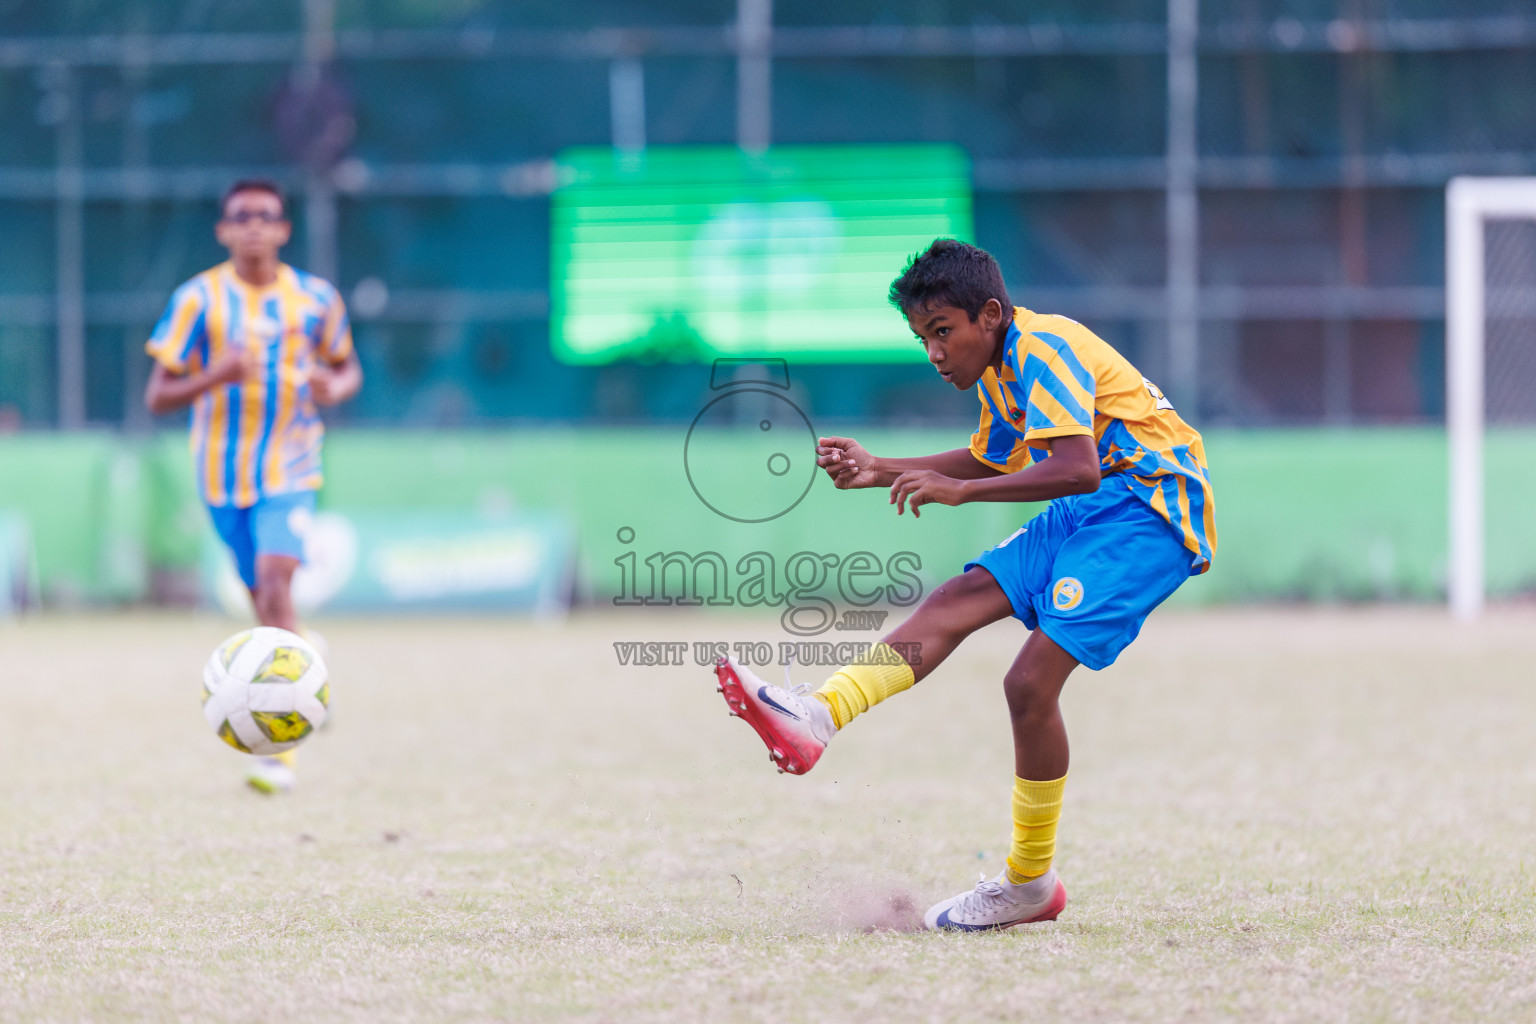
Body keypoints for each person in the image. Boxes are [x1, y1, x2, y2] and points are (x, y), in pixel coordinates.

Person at [714, 238, 1216, 931]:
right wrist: (879, 467)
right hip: (1099, 504)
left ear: (989, 314)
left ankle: (1029, 884)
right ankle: (818, 717)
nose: (935, 353)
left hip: (1151, 508)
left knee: (1028, 684)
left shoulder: (1042, 351)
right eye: (923, 339)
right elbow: (991, 458)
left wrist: (954, 492)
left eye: (942, 333)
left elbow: (1078, 468)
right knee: (955, 601)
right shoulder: (1004, 367)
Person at [144, 179, 361, 795]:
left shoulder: (316, 300)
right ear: (224, 230)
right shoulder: (199, 301)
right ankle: (310, 662)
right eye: (242, 217)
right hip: (221, 475)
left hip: (291, 466)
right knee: (264, 606)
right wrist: (218, 373)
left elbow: (347, 367)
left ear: (285, 229)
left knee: (273, 583)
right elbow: (157, 395)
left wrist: (335, 388)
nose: (255, 227)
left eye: (267, 216)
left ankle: (279, 749)